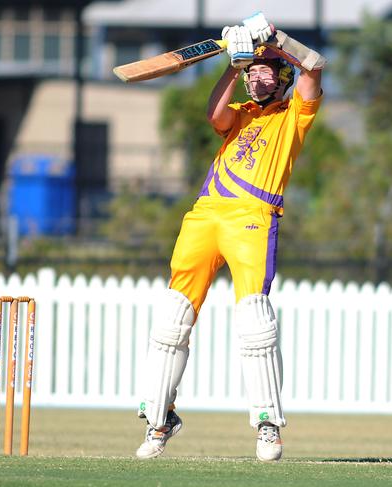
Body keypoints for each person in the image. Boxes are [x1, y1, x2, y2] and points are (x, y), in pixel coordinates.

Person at [135, 12, 326, 461]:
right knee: (171, 319)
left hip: (253, 217)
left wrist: (275, 39)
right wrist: (235, 62)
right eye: (253, 72)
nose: (257, 78)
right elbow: (213, 113)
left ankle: (267, 426)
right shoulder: (237, 113)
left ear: (280, 77)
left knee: (255, 324)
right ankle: (159, 421)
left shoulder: (294, 114)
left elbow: (314, 66)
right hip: (205, 214)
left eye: (265, 71)